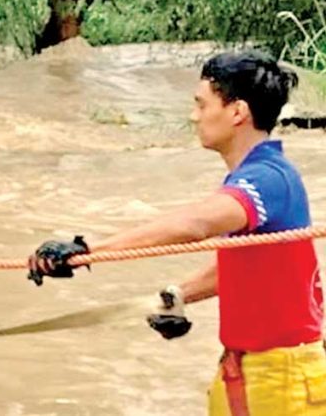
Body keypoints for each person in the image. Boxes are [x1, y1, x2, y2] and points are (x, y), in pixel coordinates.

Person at [27, 51, 325, 415]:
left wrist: (86, 250)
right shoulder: (263, 176)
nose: (193, 115)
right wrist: (178, 295)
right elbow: (249, 267)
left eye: (202, 104)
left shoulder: (266, 178)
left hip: (281, 382)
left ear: (236, 112)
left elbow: (195, 225)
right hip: (256, 375)